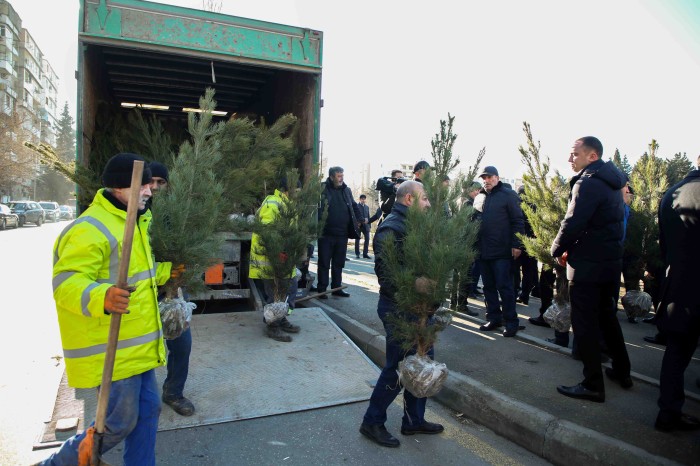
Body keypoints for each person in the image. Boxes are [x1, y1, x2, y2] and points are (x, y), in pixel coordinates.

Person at [41, 153, 173, 465]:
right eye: (142, 185)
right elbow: (66, 283)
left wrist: (172, 271)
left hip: (138, 347)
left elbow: (142, 275)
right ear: (119, 186)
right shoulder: (91, 228)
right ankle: (57, 463)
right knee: (117, 423)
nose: (149, 191)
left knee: (148, 412)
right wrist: (102, 296)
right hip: (111, 351)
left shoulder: (138, 222)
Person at [359, 181, 444, 448]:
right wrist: (417, 284)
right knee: (398, 368)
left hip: (420, 311)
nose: (429, 204)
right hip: (399, 310)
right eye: (425, 198)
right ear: (409, 199)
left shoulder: (416, 226)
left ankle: (413, 420)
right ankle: (372, 422)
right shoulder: (391, 228)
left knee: (421, 363)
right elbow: (387, 275)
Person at [551, 136, 632, 403]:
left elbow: (572, 222)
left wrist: (556, 249)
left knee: (584, 325)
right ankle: (622, 371)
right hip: (609, 262)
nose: (570, 159)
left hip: (587, 265)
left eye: (575, 154)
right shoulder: (613, 182)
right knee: (608, 318)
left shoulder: (587, 183)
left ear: (592, 156)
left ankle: (592, 384)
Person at [653, 155, 700, 432]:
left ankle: (668, 413)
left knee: (676, 353)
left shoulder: (672, 193)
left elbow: (664, 248)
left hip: (678, 286)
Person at [147, 161, 195, 417]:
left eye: (161, 182)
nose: (155, 187)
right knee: (141, 344)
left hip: (172, 287)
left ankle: (173, 392)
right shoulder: (136, 212)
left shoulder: (177, 213)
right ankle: (138, 396)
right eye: (151, 181)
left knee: (181, 342)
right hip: (142, 289)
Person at [249, 178, 301, 342]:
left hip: (283, 257)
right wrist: (278, 251)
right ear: (287, 190)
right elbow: (268, 232)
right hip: (271, 258)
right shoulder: (273, 202)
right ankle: (272, 326)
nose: (298, 196)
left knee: (287, 289)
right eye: (296, 192)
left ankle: (281, 318)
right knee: (275, 293)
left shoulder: (286, 204)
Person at [476, 166, 525, 337]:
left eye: (489, 177)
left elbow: (518, 220)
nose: (486, 181)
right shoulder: (482, 196)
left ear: (497, 177)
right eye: (484, 178)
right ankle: (494, 318)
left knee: (505, 288)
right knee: (488, 287)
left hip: (502, 251)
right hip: (484, 250)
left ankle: (511, 321)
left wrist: (517, 245)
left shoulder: (508, 195)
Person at [316, 166, 362, 299]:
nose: (341, 178)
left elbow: (353, 205)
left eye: (342, 175)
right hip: (325, 233)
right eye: (339, 176)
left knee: (338, 262)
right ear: (331, 177)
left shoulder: (346, 190)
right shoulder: (322, 188)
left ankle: (336, 288)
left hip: (342, 234)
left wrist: (360, 219)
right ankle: (322, 289)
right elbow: (315, 206)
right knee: (324, 262)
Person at [514, 185, 539, 305]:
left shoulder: (516, 204)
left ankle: (514, 294)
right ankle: (525, 296)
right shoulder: (535, 205)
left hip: (518, 242)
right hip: (532, 243)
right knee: (528, 271)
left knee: (514, 270)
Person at [355, 194, 373, 259]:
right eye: (362, 199)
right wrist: (357, 223)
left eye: (364, 199)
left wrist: (369, 225)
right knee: (357, 239)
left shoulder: (367, 207)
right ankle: (357, 253)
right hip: (359, 225)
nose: (363, 200)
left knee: (367, 239)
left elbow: (368, 216)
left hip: (366, 226)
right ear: (360, 199)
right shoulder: (356, 206)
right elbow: (355, 216)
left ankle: (365, 254)